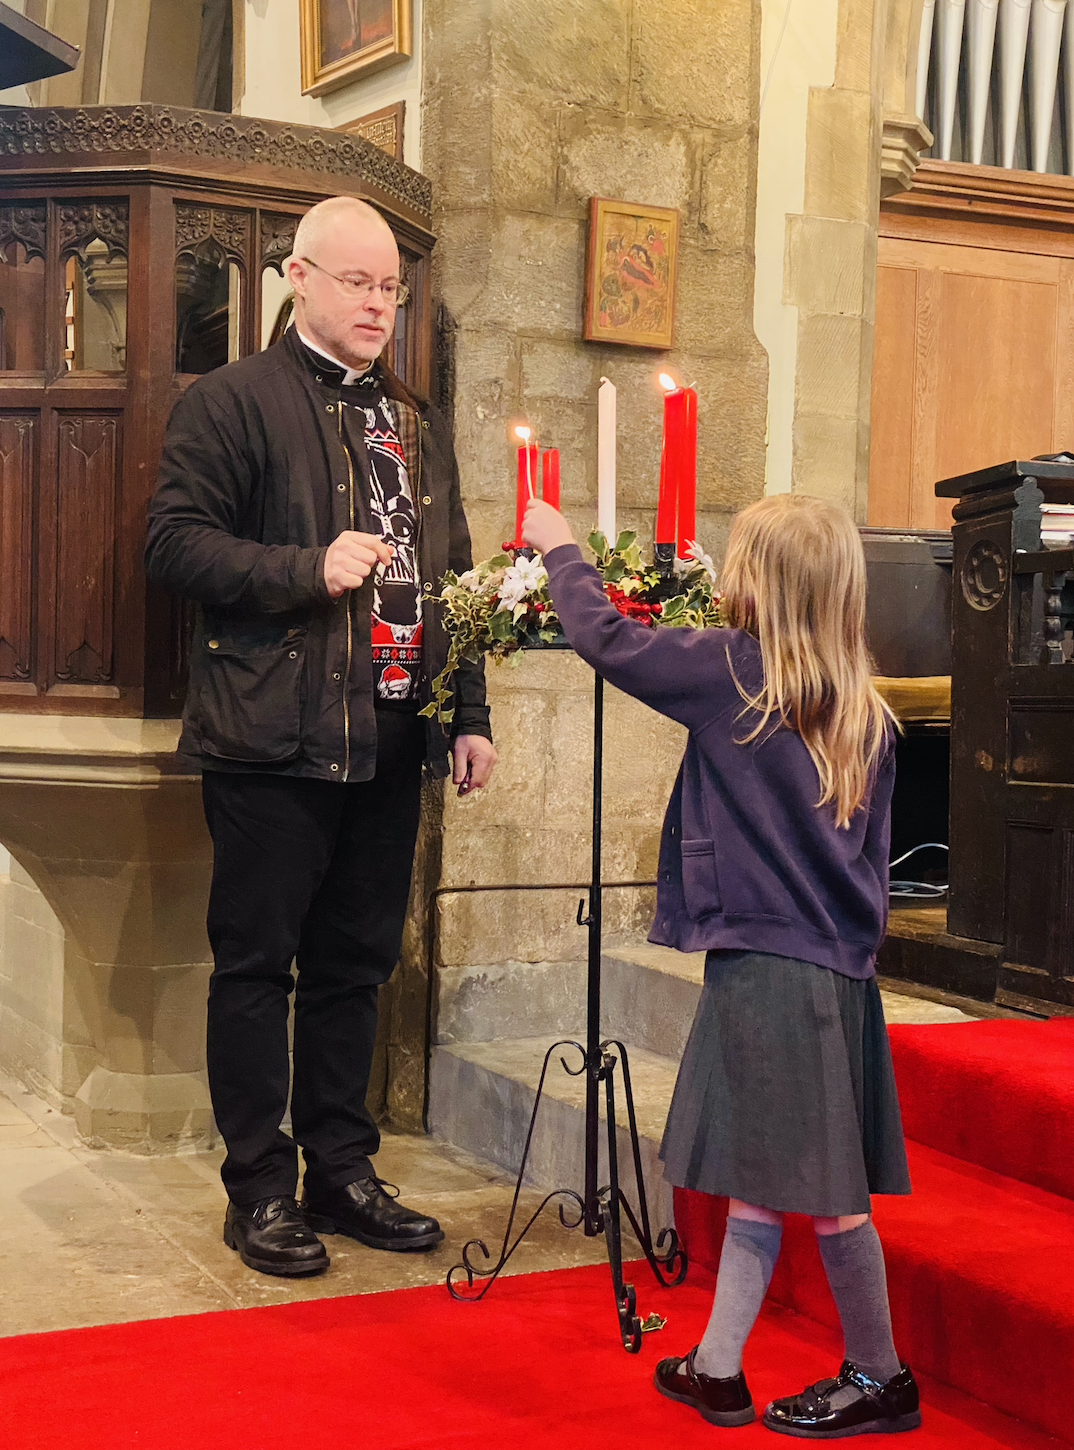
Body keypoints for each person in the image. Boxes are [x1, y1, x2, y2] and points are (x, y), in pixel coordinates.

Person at [146, 196, 497, 1278]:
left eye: (390, 287)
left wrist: (468, 711)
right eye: (357, 283)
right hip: (273, 737)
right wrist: (304, 568)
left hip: (392, 741)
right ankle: (258, 1190)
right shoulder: (231, 401)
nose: (379, 304)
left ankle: (342, 1172)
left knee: (356, 965)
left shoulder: (413, 421)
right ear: (297, 278)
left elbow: (458, 576)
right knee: (258, 967)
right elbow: (173, 545)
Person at [522, 493, 918, 1439]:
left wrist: (560, 549)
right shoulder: (869, 710)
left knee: (824, 1198)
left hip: (772, 968)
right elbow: (875, 871)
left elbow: (608, 641)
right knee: (761, 1174)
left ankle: (880, 1375)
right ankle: (716, 1368)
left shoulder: (731, 674)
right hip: (832, 970)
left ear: (757, 585)